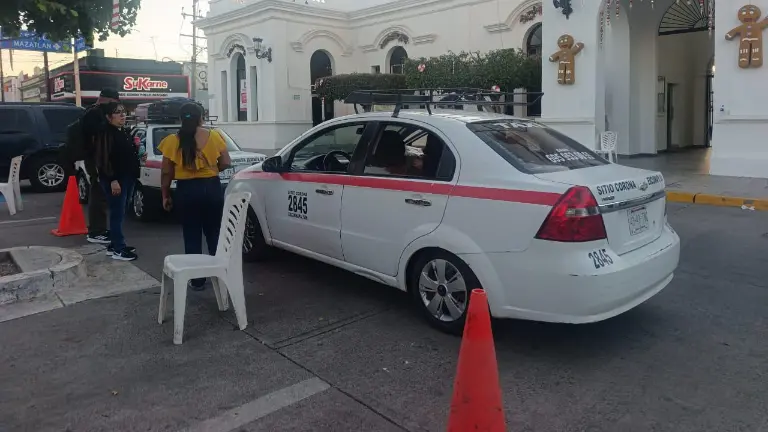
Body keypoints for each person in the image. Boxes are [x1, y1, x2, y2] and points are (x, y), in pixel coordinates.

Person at [158, 103, 231, 290]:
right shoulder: (215, 136)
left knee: (191, 235)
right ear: (201, 118)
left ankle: (197, 281)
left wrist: (165, 195)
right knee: (214, 233)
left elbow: (167, 173)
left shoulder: (172, 141)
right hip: (211, 188)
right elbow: (225, 162)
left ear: (181, 119)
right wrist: (211, 170)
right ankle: (219, 277)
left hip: (186, 191)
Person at [63, 88, 121, 245]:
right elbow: (97, 136)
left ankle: (99, 229)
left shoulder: (93, 112)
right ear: (107, 100)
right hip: (95, 157)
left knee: (100, 191)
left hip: (96, 156)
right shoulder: (95, 114)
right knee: (98, 191)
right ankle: (96, 231)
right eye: (114, 103)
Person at [93, 102, 140, 261]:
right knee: (117, 214)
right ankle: (119, 249)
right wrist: (112, 179)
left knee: (121, 211)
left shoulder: (122, 131)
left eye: (123, 112)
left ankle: (115, 244)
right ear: (108, 116)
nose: (122, 115)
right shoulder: (105, 133)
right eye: (117, 112)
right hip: (116, 179)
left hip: (127, 177)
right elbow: (103, 159)